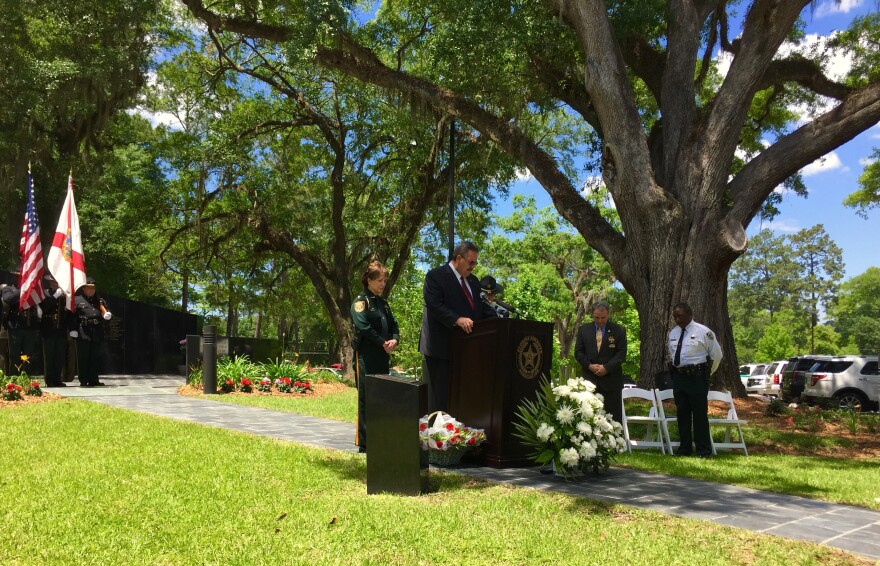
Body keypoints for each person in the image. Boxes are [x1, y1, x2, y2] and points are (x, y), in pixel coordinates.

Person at [419, 241, 497, 411]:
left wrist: (500, 321)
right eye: (471, 262)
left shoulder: (473, 282)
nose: (473, 266)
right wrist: (457, 319)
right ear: (459, 258)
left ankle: (459, 435)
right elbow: (434, 305)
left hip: (466, 349)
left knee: (462, 399)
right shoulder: (436, 276)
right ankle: (439, 434)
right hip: (441, 349)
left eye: (476, 262)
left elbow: (481, 308)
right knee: (442, 400)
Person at [350, 261, 400, 453]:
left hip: (383, 354)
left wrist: (394, 340)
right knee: (366, 396)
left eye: (384, 281)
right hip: (366, 355)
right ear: (369, 280)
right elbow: (363, 327)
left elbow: (394, 325)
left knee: (380, 396)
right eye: (379, 280)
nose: (382, 284)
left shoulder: (383, 304)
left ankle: (378, 436)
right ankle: (365, 442)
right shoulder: (361, 302)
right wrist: (382, 342)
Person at [667, 302, 722, 458]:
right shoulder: (673, 333)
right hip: (679, 376)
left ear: (690, 314)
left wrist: (707, 373)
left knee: (699, 414)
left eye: (680, 316)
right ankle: (684, 448)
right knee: (682, 412)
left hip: (697, 377)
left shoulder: (703, 332)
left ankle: (703, 450)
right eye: (675, 316)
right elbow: (673, 354)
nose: (678, 319)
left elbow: (717, 355)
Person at [574, 300, 628, 424]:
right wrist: (589, 366)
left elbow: (621, 354)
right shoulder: (583, 330)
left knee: (612, 421)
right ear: (592, 314)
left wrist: (607, 368)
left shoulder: (618, 330)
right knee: (588, 419)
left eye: (603, 318)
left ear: (608, 314)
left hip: (611, 383)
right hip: (590, 381)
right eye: (597, 317)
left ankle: (615, 443)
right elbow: (578, 353)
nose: (600, 321)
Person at [73, 277, 112, 387]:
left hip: (96, 330)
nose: (91, 290)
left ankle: (94, 379)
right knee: (83, 357)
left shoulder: (99, 300)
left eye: (93, 288)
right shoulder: (77, 300)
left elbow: (106, 311)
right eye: (88, 288)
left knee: (95, 357)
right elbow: (72, 317)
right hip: (83, 330)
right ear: (84, 289)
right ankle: (84, 380)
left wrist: (108, 315)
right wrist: (73, 329)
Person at [39, 274, 70, 387]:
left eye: (56, 281)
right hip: (48, 327)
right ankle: (49, 379)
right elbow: (44, 306)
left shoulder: (66, 294)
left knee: (59, 355)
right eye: (53, 281)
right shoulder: (45, 293)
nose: (54, 283)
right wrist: (55, 296)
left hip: (61, 328)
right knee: (49, 355)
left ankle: (57, 379)